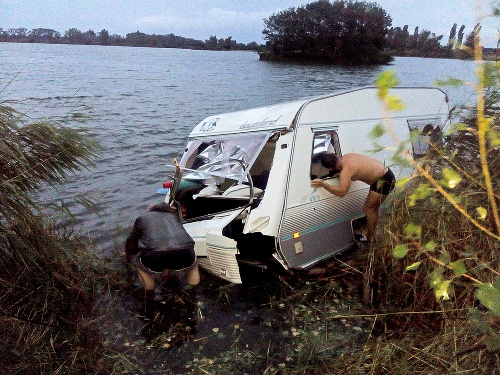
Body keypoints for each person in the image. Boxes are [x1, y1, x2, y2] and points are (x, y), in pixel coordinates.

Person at [310, 153, 396, 242]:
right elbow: (357, 171)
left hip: (384, 180)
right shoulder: (347, 156)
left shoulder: (346, 171)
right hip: (387, 174)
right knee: (374, 208)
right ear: (336, 156)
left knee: (369, 209)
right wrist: (343, 176)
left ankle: (371, 239)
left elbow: (341, 192)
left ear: (330, 168)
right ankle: (368, 234)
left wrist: (323, 184)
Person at [125, 202, 200, 299]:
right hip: (186, 251)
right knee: (193, 267)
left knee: (141, 267)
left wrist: (128, 255)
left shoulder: (142, 218)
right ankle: (194, 293)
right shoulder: (174, 216)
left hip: (155, 255)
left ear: (150, 211)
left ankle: (150, 293)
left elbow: (132, 241)